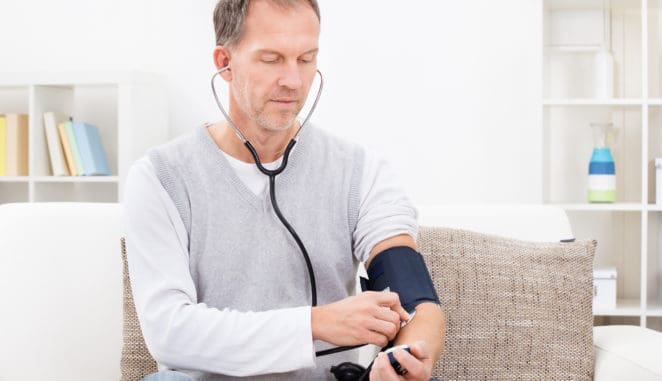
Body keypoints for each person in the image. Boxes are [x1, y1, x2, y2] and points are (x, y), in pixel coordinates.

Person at [123, 0, 445, 380]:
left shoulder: (362, 171)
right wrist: (314, 323)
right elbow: (169, 333)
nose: (293, 81)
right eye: (272, 59)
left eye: (306, 59)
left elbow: (415, 298)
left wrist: (405, 359)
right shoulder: (160, 178)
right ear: (224, 62)